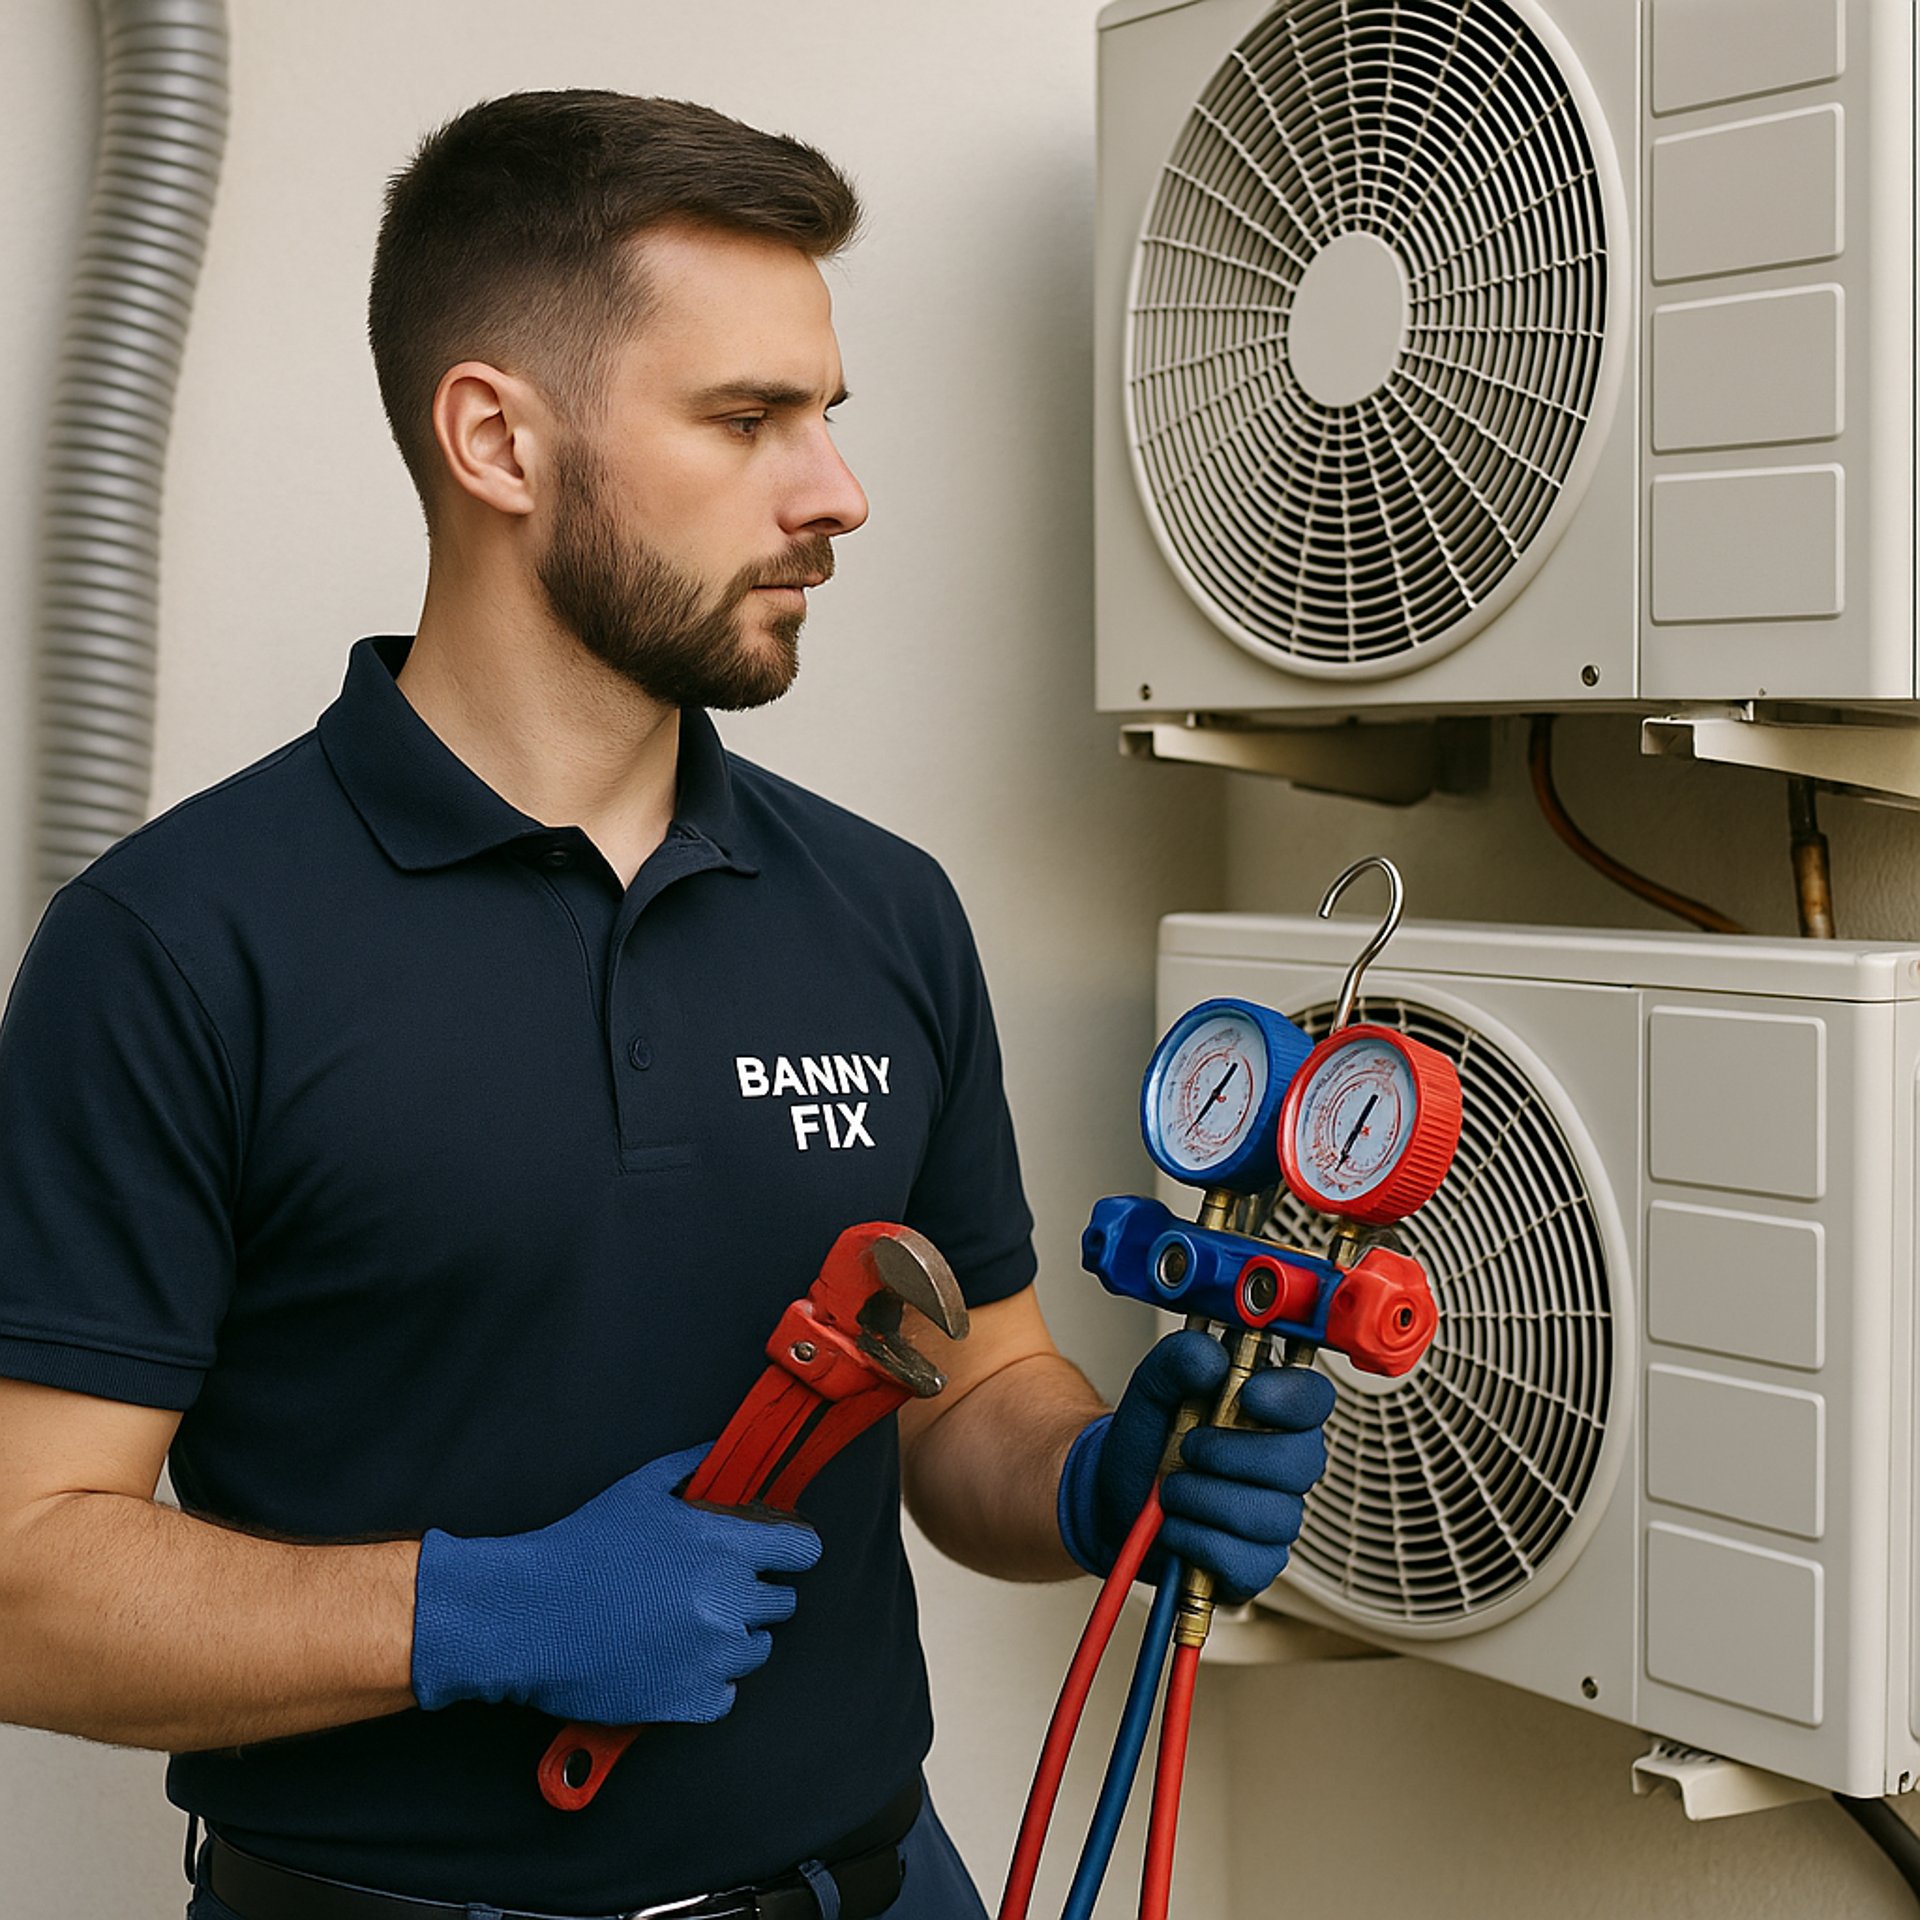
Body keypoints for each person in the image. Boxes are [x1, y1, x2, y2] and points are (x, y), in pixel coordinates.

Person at [0, 91, 1335, 1920]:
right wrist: (479, 1615)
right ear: (497, 440)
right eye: (745, 420)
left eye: (827, 418)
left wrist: (1103, 1476)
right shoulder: (175, 944)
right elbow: (21, 1577)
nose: (836, 492)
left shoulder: (882, 911)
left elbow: (973, 1391)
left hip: (870, 1886)